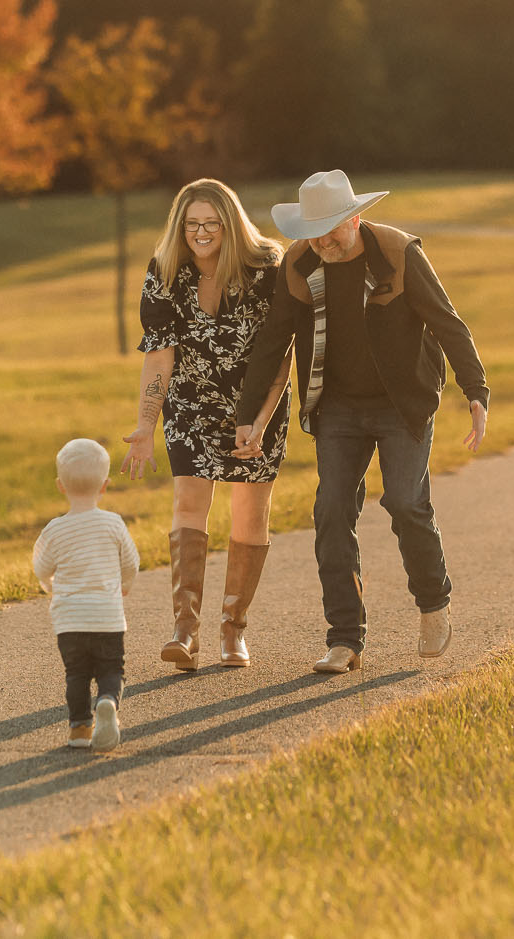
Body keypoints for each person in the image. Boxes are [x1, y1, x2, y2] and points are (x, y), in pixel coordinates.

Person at [234, 170, 488, 674]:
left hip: (401, 402)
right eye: (315, 229)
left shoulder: (396, 252)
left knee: (405, 502)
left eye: (333, 227)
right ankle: (344, 638)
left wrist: (476, 392)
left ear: (355, 218)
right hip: (338, 406)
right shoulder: (301, 263)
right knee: (330, 511)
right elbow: (272, 342)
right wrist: (248, 417)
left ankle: (433, 604)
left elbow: (446, 321)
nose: (324, 240)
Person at [124, 179, 292, 670]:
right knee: (187, 501)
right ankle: (185, 629)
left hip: (256, 409)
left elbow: (280, 352)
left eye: (211, 223)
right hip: (191, 405)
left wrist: (258, 421)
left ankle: (233, 631)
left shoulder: (266, 267)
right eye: (191, 223)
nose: (200, 233)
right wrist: (145, 425)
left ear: (230, 223)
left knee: (250, 513)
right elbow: (159, 358)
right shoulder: (164, 272)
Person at [32, 438, 140, 752]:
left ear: (60, 486)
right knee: (111, 670)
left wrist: (49, 585)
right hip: (107, 616)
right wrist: (126, 584)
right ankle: (107, 700)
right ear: (105, 486)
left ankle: (79, 730)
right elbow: (131, 561)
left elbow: (41, 566)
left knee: (76, 674)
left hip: (69, 620)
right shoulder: (113, 524)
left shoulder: (54, 529)